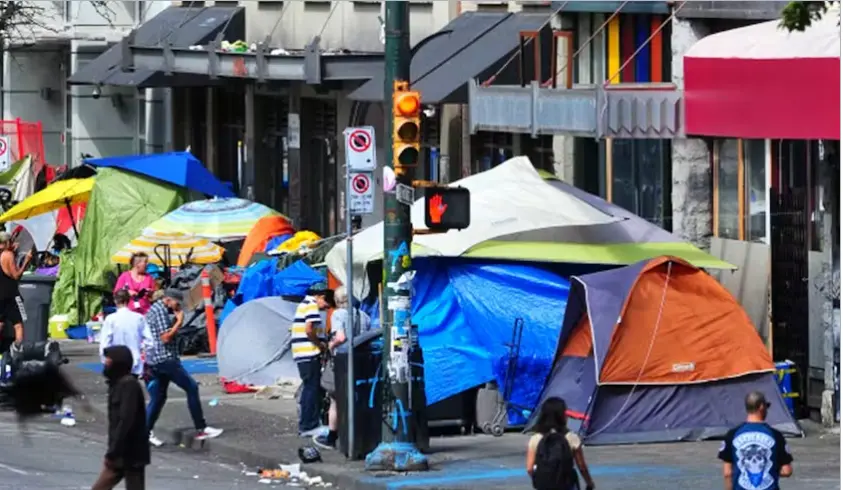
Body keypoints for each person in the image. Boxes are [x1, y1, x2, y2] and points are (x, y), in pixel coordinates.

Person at [144, 288, 222, 447]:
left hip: (156, 360)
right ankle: (201, 428)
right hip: (165, 359)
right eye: (176, 302)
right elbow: (165, 338)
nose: (178, 306)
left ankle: (144, 432)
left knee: (159, 398)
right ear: (168, 299)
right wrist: (179, 322)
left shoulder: (157, 309)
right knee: (191, 388)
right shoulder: (159, 311)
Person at [314, 286, 370, 449]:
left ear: (338, 301)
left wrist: (331, 345)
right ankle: (360, 434)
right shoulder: (364, 315)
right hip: (361, 359)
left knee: (335, 399)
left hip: (342, 360)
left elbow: (341, 337)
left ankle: (332, 437)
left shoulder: (339, 314)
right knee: (357, 397)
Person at [92, 345, 149, 490]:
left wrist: (113, 451)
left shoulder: (129, 385)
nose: (106, 363)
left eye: (109, 360)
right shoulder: (117, 385)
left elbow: (126, 420)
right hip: (121, 454)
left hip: (131, 453)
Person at [718, 391, 793, 490]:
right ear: (761, 407)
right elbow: (787, 471)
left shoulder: (731, 435)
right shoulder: (776, 436)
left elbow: (727, 473)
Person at [292, 288, 335, 438]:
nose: (326, 309)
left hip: (301, 353)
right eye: (327, 305)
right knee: (312, 389)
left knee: (309, 388)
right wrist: (320, 344)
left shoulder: (303, 304)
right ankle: (309, 425)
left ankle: (307, 423)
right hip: (308, 352)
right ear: (321, 297)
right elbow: (309, 329)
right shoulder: (311, 305)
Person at [526, 397, 595, 490]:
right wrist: (589, 483)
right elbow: (581, 466)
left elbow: (530, 468)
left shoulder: (535, 439)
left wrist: (540, 480)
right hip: (566, 484)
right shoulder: (571, 437)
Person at [99, 289, 153, 378]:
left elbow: (105, 342)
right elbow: (149, 342)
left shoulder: (110, 319)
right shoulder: (139, 318)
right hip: (135, 360)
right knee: (132, 387)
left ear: (115, 301)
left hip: (116, 360)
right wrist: (148, 359)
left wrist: (104, 359)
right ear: (129, 300)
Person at [0, 231, 32, 353]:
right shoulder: (8, 255)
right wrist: (26, 261)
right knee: (18, 324)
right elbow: (16, 275)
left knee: (1, 323)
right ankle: (18, 352)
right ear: (7, 242)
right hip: (11, 294)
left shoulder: (4, 253)